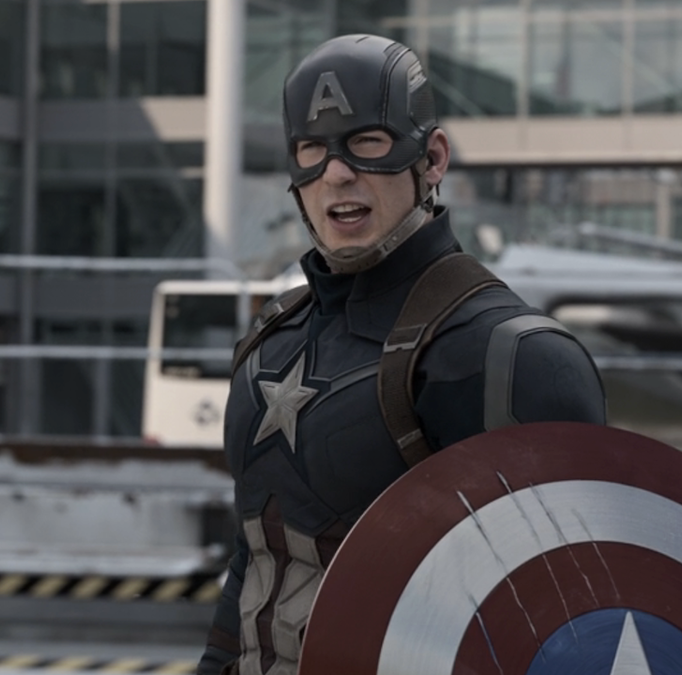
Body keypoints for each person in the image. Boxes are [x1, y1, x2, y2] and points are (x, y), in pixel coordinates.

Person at [198, 34, 606, 675]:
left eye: (367, 142)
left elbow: (567, 627)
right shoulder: (271, 340)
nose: (336, 173)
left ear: (432, 157)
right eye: (312, 150)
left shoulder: (507, 357)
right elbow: (255, 568)